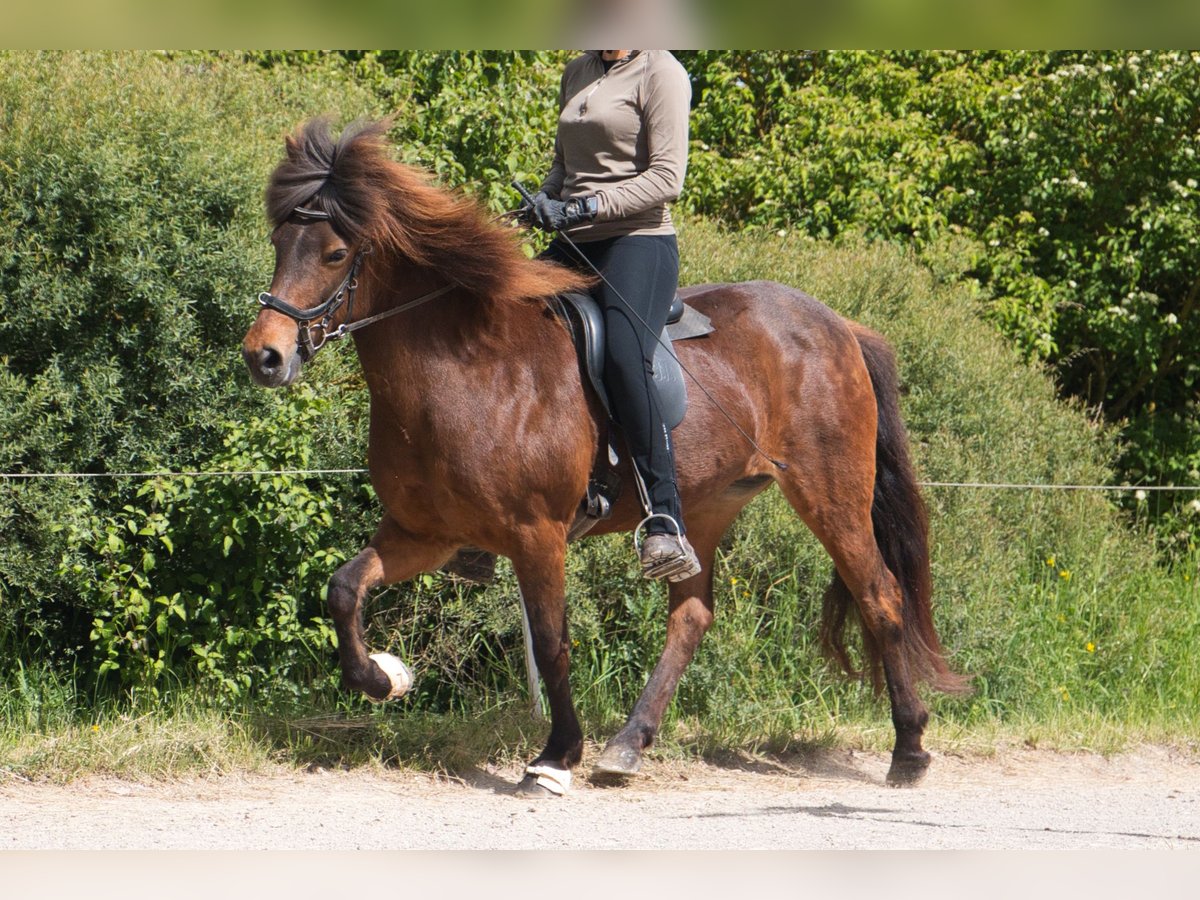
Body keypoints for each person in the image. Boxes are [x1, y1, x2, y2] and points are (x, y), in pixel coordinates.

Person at [524, 49, 699, 582]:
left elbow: (667, 178)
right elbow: (565, 164)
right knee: (501, 327)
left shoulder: (660, 71)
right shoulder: (577, 71)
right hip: (571, 243)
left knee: (625, 355)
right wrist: (546, 198)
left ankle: (665, 519)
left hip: (638, 242)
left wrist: (583, 207)